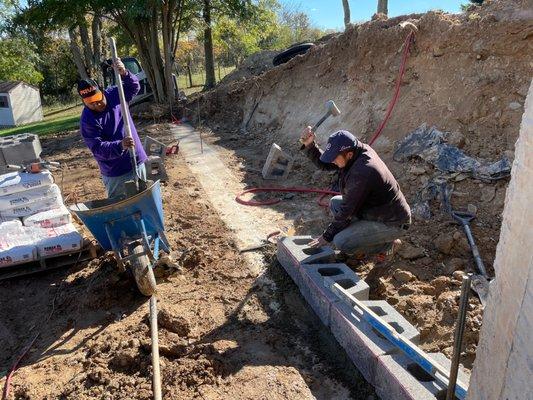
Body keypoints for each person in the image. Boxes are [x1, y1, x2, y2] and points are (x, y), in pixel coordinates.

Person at [301, 127, 411, 257]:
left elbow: (347, 211)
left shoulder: (363, 171)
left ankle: (388, 245)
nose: (333, 161)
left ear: (349, 155)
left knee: (340, 241)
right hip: (374, 210)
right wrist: (310, 145)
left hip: (392, 222)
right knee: (335, 203)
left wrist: (326, 236)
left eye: (335, 158)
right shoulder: (354, 152)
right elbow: (326, 164)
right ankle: (360, 237)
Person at [77, 58, 147, 198]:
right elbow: (97, 148)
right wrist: (120, 145)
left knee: (145, 199)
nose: (97, 105)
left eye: (98, 100)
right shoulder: (87, 120)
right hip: (116, 171)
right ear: (84, 102)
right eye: (91, 104)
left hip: (137, 159)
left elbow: (134, 87)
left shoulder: (116, 94)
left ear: (102, 92)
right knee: (121, 208)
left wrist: (124, 73)